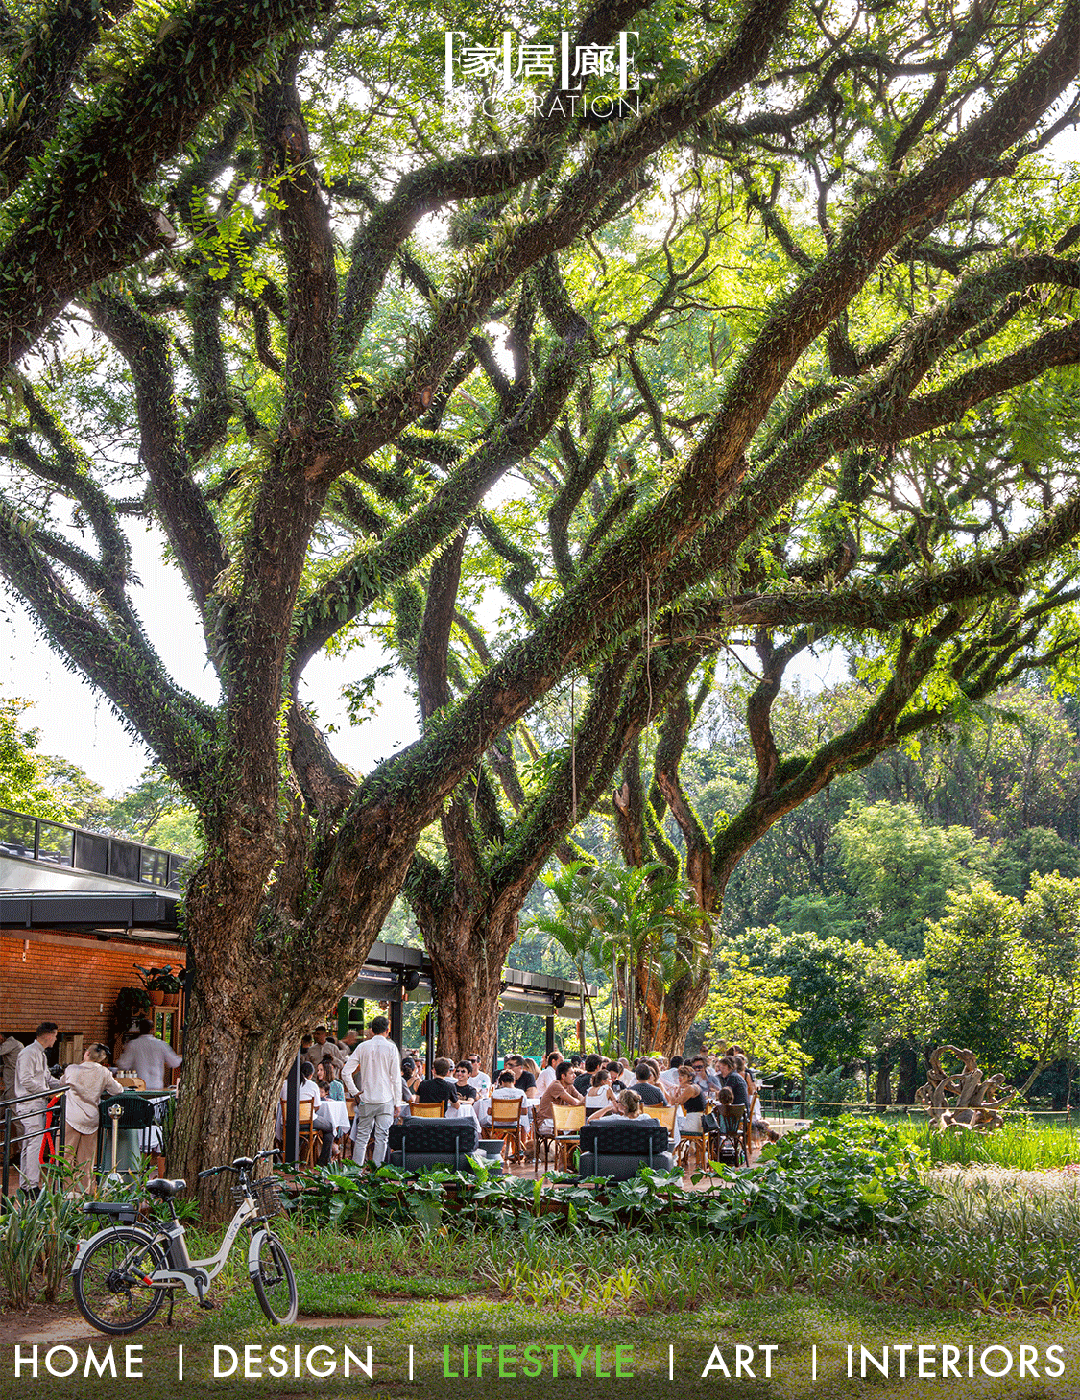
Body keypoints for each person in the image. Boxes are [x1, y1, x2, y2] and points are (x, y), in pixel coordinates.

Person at [62, 1045, 125, 1191]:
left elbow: (61, 1084)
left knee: (66, 1157)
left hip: (71, 1117)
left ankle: (67, 1193)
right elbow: (117, 1090)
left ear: (87, 1053)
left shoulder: (72, 1069)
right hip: (91, 1119)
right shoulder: (104, 1072)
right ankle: (85, 1193)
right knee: (86, 1161)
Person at [342, 1016, 402, 1166]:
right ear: (387, 1031)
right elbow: (395, 1078)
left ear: (371, 1030)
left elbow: (345, 1072)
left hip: (366, 1098)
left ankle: (355, 1172)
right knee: (382, 1137)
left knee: (362, 1137)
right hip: (385, 1099)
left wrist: (354, 1091)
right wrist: (397, 1102)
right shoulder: (391, 1048)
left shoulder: (363, 1047)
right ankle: (376, 1174)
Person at [14, 1022, 58, 1194]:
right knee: (34, 1143)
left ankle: (26, 1184)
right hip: (29, 1104)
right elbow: (26, 1080)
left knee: (29, 1144)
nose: (55, 1039)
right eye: (55, 1035)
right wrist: (47, 1092)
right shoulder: (28, 1053)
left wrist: (65, 1083)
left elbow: (46, 1077)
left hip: (35, 1103)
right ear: (48, 1035)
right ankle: (31, 1185)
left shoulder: (40, 1054)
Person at [117, 1018, 182, 1089]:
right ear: (152, 1030)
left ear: (139, 1029)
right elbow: (174, 1062)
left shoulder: (133, 1044)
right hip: (156, 1085)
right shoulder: (161, 1044)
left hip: (138, 1086)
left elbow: (123, 1064)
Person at [534, 1061, 584, 1136]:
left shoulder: (569, 1086)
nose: (574, 1076)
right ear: (563, 1076)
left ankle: (569, 1147)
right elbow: (575, 1103)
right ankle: (569, 1147)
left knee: (581, 1125)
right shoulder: (556, 1085)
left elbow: (580, 1098)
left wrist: (584, 1100)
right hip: (547, 1123)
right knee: (579, 1125)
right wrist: (588, 1097)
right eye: (571, 1074)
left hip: (559, 1121)